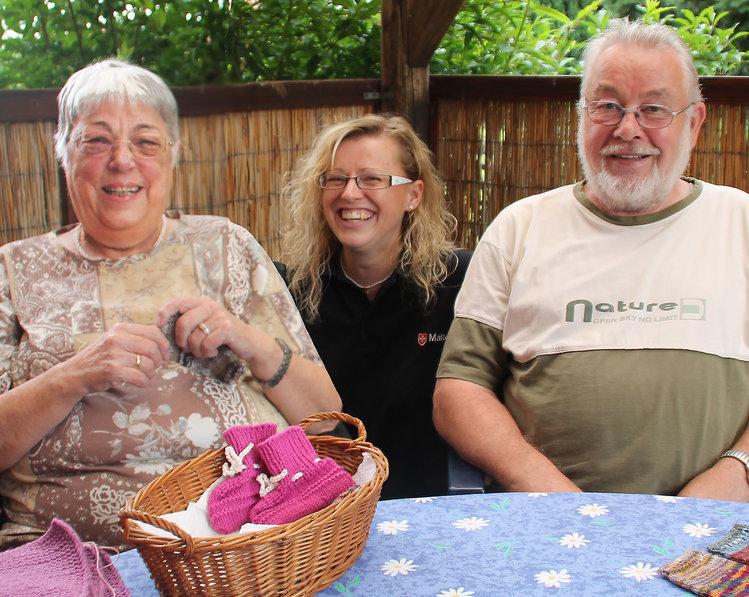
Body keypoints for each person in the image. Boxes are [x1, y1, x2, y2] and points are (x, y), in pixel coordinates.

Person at [0, 59, 341, 550]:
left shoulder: (226, 246)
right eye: (96, 141)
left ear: (172, 156)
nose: (122, 160)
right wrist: (74, 375)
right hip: (65, 552)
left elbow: (327, 419)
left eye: (146, 141)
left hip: (242, 546)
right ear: (63, 153)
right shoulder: (14, 272)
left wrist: (249, 341)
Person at [433, 18, 749, 502]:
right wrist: (555, 497)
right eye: (607, 106)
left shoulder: (741, 223)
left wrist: (735, 472)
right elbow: (459, 390)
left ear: (694, 121)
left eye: (653, 109)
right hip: (549, 526)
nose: (628, 129)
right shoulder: (520, 228)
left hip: (717, 525)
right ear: (580, 115)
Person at [282, 114, 470, 499]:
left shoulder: (462, 281)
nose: (350, 193)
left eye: (372, 180)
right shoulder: (291, 291)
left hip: (432, 509)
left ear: (413, 195)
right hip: (321, 520)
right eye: (335, 179)